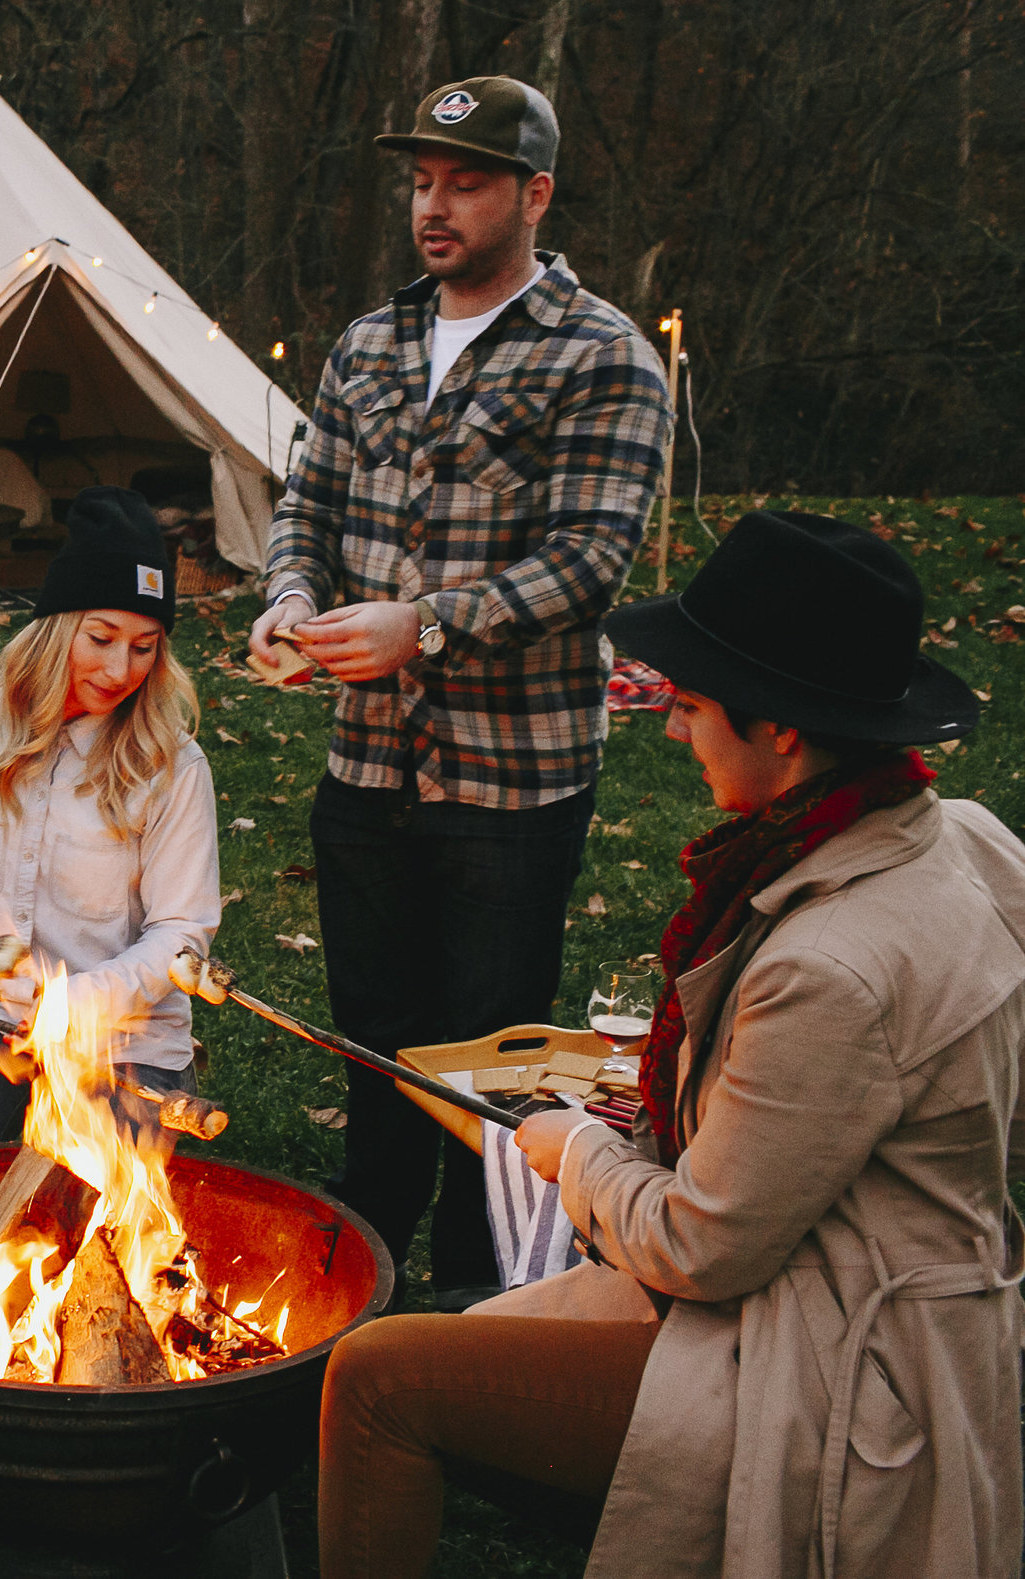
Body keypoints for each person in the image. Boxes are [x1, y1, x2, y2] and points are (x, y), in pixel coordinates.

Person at [316, 511, 1022, 1579]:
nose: (672, 731)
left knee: (375, 1371)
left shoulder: (828, 962)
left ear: (781, 726)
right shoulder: (959, 831)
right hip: (910, 1290)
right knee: (484, 1320)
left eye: (687, 706)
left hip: (825, 1356)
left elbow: (702, 1246)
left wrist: (573, 1147)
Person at [249, 75, 673, 1307]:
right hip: (364, 770)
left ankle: (485, 1307)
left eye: (467, 181)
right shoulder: (367, 342)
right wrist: (288, 598)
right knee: (374, 1042)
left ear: (532, 194)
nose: (434, 205)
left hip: (511, 777)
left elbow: (588, 562)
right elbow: (305, 505)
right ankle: (357, 1290)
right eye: (423, 180)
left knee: (487, 1065)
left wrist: (422, 625)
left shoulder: (603, 357)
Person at [0, 486, 221, 1152]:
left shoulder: (174, 766)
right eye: (102, 637)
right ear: (57, 625)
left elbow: (182, 933)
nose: (121, 669)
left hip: (127, 1032)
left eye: (145, 647)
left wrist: (77, 1003)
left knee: (104, 1224)